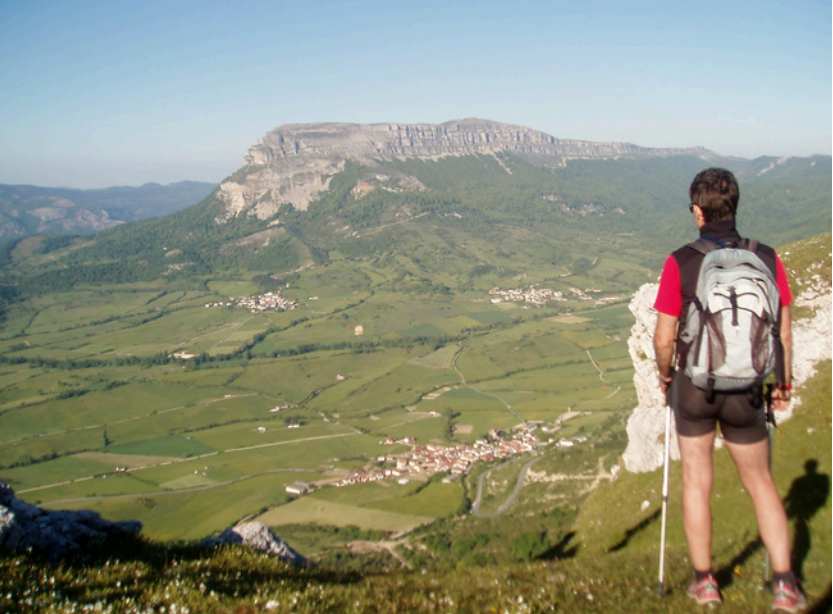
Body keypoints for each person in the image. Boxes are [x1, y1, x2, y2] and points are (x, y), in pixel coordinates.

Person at [652, 168, 807, 612]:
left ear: (696, 211)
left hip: (696, 386)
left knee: (697, 482)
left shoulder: (680, 261)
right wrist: (782, 382)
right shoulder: (768, 257)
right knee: (761, 483)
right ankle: (784, 584)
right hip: (748, 387)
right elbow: (783, 332)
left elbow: (665, 339)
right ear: (735, 206)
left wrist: (666, 376)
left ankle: (704, 583)